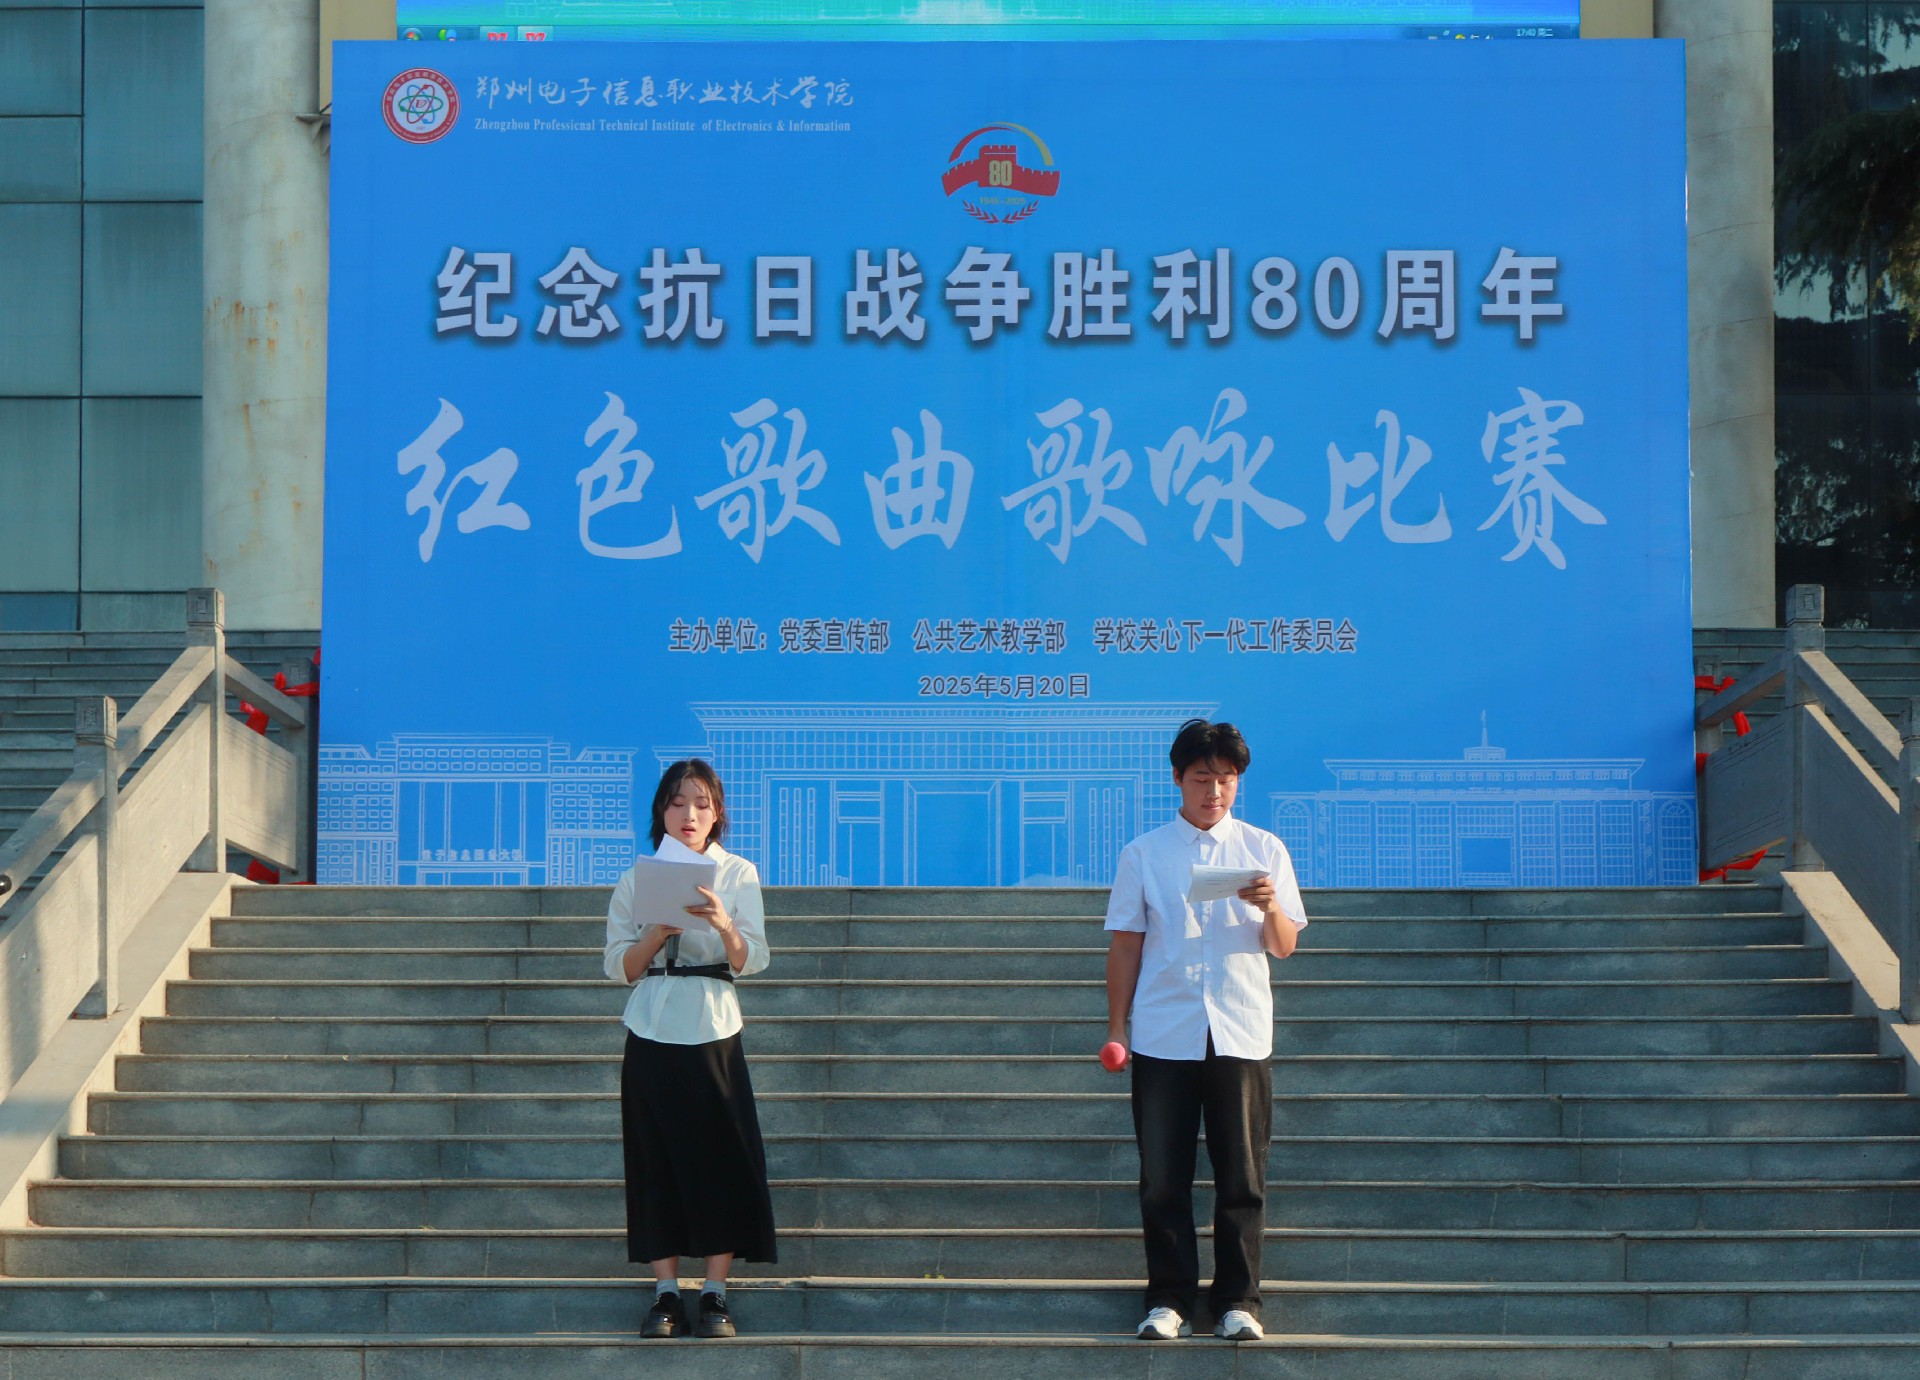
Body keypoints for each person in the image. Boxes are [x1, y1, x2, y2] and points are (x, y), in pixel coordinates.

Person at [1102, 718, 1307, 1342]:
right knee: (1162, 1177)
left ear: (1237, 782)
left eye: (1226, 779)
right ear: (1177, 778)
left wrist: (1270, 906)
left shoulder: (1264, 849)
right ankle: (1168, 1300)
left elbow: (1284, 946)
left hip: (1240, 1029)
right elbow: (1126, 945)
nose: (1214, 791)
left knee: (1242, 1175)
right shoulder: (1144, 854)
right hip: (1164, 1029)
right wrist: (1117, 1026)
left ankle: (1238, 1302)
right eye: (1201, 778)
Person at [603, 759, 776, 1339]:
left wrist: (724, 923)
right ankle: (666, 1292)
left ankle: (715, 1291)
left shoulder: (738, 872)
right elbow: (620, 966)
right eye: (677, 802)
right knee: (655, 1159)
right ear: (661, 810)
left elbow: (753, 958)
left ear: (717, 812)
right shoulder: (637, 878)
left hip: (714, 1026)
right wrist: (657, 931)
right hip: (652, 1024)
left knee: (721, 1156)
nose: (689, 814)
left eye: (701, 803)